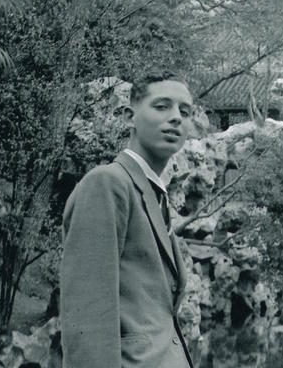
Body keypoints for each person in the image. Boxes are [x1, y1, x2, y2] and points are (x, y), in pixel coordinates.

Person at [60, 74, 194, 368]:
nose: (175, 118)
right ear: (128, 117)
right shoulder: (107, 183)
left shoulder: (154, 193)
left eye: (185, 112)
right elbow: (87, 315)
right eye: (161, 106)